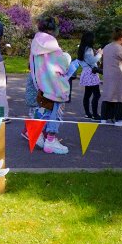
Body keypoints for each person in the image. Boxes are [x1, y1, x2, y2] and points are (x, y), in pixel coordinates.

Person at [29, 16, 72, 154]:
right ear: (53, 30)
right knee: (56, 111)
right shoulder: (53, 44)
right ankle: (51, 140)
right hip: (55, 84)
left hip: (42, 83)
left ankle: (37, 135)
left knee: (44, 109)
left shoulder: (36, 42)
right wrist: (67, 57)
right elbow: (62, 65)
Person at [77, 32, 103, 120]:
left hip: (86, 72)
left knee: (87, 94)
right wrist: (100, 53)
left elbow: (82, 60)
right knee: (96, 94)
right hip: (91, 73)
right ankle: (95, 115)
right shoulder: (88, 49)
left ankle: (88, 113)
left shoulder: (82, 48)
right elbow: (92, 61)